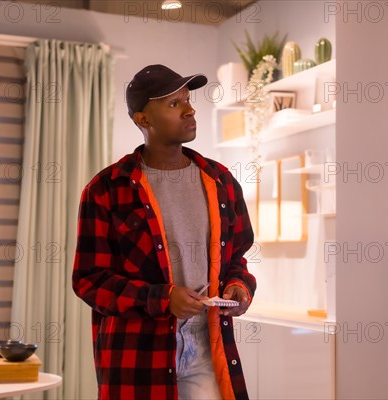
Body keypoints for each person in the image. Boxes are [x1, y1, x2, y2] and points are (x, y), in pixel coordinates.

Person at [72, 64, 257, 400]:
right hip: (139, 355)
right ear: (143, 120)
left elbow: (237, 258)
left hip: (207, 346)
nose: (189, 109)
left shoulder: (221, 181)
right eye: (173, 104)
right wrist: (161, 298)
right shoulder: (106, 189)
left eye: (187, 99)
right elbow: (89, 281)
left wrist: (238, 286)